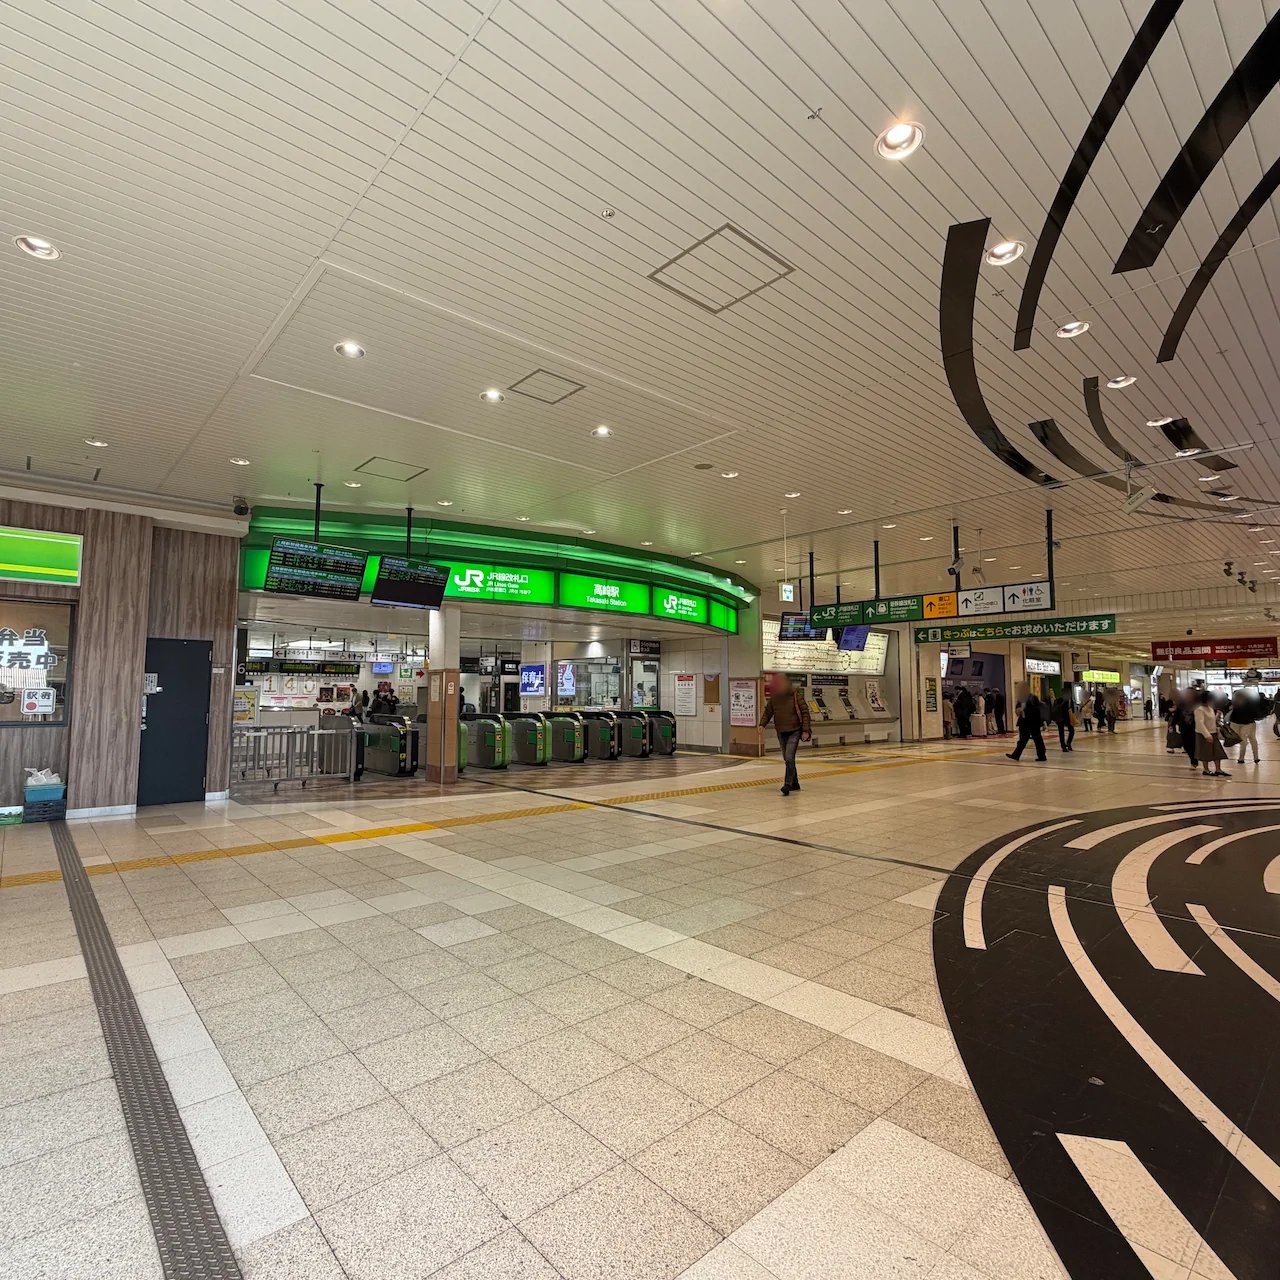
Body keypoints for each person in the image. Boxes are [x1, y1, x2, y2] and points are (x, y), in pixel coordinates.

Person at [760, 674, 811, 795]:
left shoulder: (796, 696)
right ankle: (795, 783)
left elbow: (805, 713)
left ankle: (787, 784)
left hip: (794, 730)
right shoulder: (775, 698)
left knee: (789, 757)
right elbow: (768, 712)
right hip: (781, 731)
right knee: (787, 759)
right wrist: (762, 724)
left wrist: (805, 730)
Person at [1194, 689, 1230, 777]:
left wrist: (1217, 717)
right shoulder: (1199, 709)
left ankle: (1218, 769)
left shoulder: (1210, 708)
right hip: (1203, 734)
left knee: (1217, 752)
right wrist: (1207, 735)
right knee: (1205, 752)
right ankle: (1206, 770)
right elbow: (1200, 723)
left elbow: (1211, 720)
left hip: (1213, 732)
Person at [1007, 683, 1047, 762]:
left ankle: (1042, 756)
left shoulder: (1033, 698)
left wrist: (1024, 710)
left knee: (1038, 740)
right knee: (1022, 740)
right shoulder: (1020, 699)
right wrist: (1017, 710)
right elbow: (1017, 707)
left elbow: (1036, 710)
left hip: (1033, 723)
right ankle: (1016, 755)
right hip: (1023, 722)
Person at [1229, 689, 1261, 764]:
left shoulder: (1235, 703)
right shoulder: (1250, 703)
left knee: (1244, 740)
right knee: (1250, 739)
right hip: (1247, 722)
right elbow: (1256, 714)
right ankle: (1254, 757)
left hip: (1244, 723)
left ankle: (1242, 758)